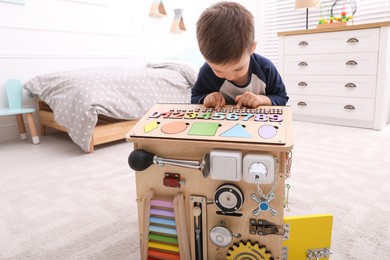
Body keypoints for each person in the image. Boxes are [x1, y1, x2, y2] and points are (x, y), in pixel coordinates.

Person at [191, 2, 288, 109]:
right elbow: (195, 97)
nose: (230, 77)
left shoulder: (265, 68)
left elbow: (281, 97)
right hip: (221, 123)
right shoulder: (207, 71)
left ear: (252, 48)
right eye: (218, 71)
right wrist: (207, 98)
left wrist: (261, 99)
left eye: (238, 69)